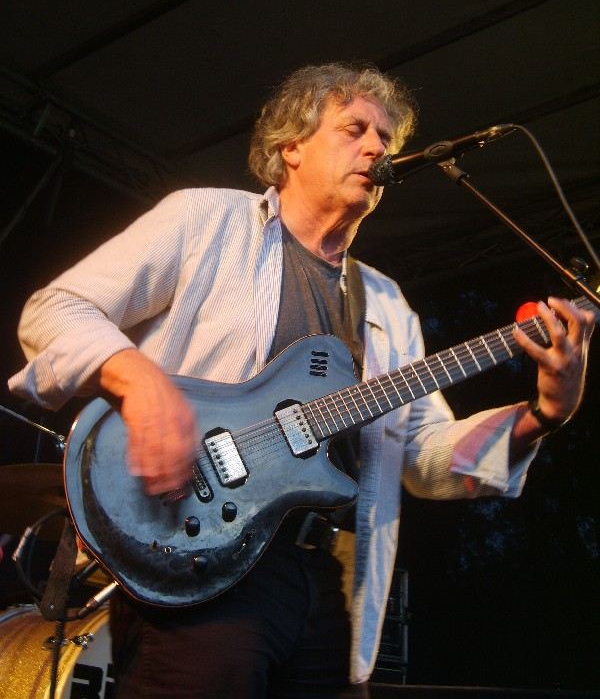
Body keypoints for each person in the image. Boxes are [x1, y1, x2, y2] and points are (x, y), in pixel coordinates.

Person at [8, 63, 594, 698]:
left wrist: (544, 413)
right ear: (290, 147)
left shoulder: (387, 305)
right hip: (200, 558)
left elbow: (424, 457)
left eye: (386, 138)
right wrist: (142, 385)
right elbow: (55, 310)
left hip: (322, 578)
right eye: (355, 129)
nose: (377, 148)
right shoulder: (207, 221)